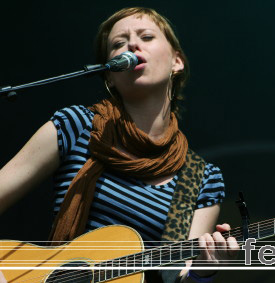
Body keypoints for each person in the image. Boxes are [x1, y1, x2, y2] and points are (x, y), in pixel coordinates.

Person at [0, 7, 238, 283]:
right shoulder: (76, 127)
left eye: (147, 36)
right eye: (118, 44)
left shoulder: (200, 178)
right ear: (110, 75)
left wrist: (203, 270)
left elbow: (178, 276)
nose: (132, 45)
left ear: (177, 62)